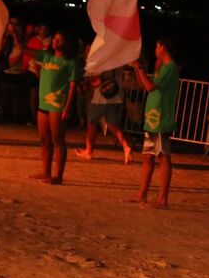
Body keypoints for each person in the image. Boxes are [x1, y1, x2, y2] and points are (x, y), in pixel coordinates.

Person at [129, 39, 179, 209]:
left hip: (161, 119)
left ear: (164, 47)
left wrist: (140, 67)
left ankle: (162, 199)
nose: (155, 49)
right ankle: (142, 194)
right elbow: (144, 86)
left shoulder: (170, 67)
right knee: (148, 157)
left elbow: (150, 87)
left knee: (163, 157)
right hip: (153, 119)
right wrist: (137, 68)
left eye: (157, 46)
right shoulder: (163, 67)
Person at [28, 31, 77, 185]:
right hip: (43, 103)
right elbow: (25, 49)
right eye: (55, 39)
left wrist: (68, 106)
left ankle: (59, 176)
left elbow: (72, 85)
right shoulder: (46, 56)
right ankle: (46, 171)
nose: (55, 41)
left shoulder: (70, 62)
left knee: (57, 139)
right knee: (44, 139)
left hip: (57, 103)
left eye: (59, 39)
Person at [75, 67, 133, 164]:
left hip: (101, 98)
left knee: (91, 123)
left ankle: (89, 151)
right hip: (116, 97)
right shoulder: (118, 62)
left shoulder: (102, 61)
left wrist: (88, 84)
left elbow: (98, 81)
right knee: (112, 125)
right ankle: (126, 146)